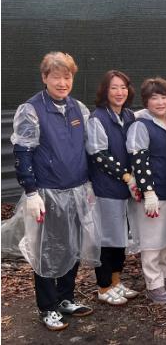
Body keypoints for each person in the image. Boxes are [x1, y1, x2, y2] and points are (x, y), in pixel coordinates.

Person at [11, 51, 100, 330]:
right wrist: (31, 192)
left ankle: (65, 298)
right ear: (44, 78)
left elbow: (88, 149)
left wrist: (89, 185)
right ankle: (47, 306)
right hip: (47, 193)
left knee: (72, 247)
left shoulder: (78, 108)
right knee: (47, 250)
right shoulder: (32, 110)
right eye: (56, 77)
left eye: (67, 77)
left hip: (77, 190)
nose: (62, 83)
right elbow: (23, 151)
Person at [126, 77, 166, 304]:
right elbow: (138, 160)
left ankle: (165, 274)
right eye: (154, 98)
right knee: (152, 242)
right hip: (154, 192)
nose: (160, 102)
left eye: (164, 97)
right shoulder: (141, 124)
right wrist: (148, 191)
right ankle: (153, 284)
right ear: (146, 101)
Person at [87, 70, 141, 306]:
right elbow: (99, 154)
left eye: (123, 87)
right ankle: (103, 286)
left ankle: (117, 282)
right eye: (114, 88)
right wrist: (127, 176)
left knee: (120, 237)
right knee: (107, 238)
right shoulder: (98, 118)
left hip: (126, 189)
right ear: (105, 91)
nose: (120, 92)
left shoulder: (129, 115)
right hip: (107, 188)